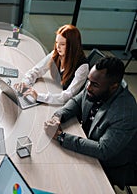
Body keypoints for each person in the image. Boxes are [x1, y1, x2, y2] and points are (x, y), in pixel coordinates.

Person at [44, 56, 137, 188]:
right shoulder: (96, 85)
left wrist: (60, 136)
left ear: (113, 87)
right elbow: (77, 101)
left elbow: (103, 150)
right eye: (88, 81)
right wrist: (58, 116)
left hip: (109, 163)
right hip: (88, 141)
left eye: (94, 84)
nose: (88, 87)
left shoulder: (124, 112)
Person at [14, 24, 89, 104]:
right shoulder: (56, 54)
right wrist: (25, 83)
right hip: (55, 91)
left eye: (62, 44)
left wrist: (38, 96)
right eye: (57, 42)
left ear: (72, 46)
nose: (58, 47)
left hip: (67, 104)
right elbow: (36, 70)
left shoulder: (83, 67)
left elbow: (68, 95)